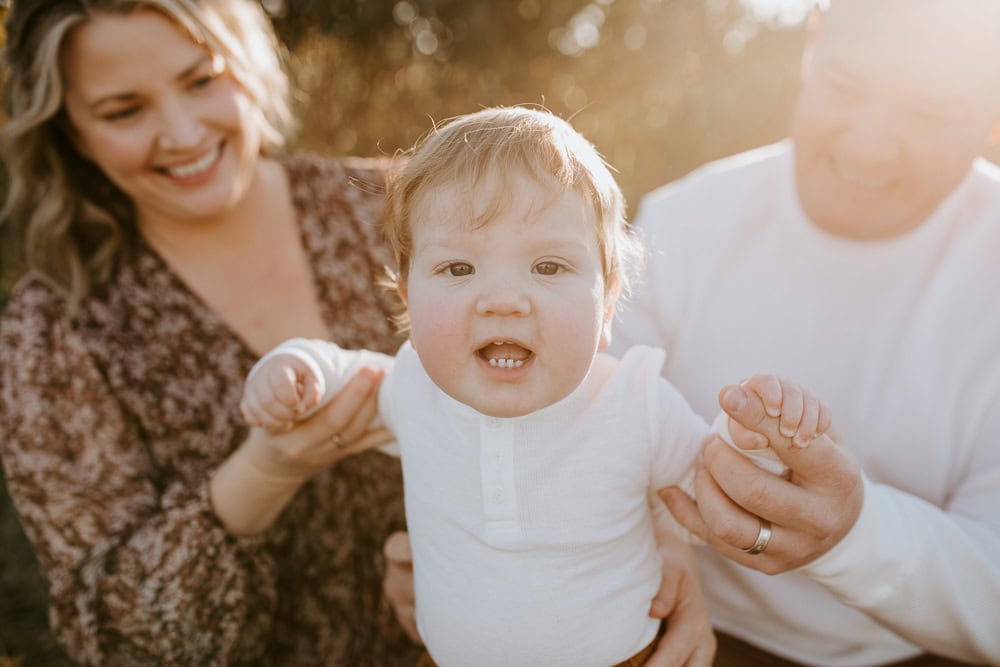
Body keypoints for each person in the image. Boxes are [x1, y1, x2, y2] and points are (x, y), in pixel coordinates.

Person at [240, 106, 833, 667]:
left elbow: (716, 482)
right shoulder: (413, 388)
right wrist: (297, 368)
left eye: (548, 267)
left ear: (608, 301)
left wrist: (756, 437)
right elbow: (340, 370)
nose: (502, 300)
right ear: (407, 301)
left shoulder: (632, 400)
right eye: (458, 269)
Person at [0, 0, 421, 663]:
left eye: (202, 80)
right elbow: (115, 637)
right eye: (123, 111)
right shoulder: (51, 331)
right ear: (72, 132)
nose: (183, 131)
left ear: (249, 63)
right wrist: (266, 470)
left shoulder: (401, 209)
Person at [611, 0, 1000, 665]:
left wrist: (853, 532)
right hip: (677, 623)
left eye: (932, 113)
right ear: (811, 47)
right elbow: (579, 425)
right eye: (844, 87)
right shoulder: (679, 223)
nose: (867, 146)